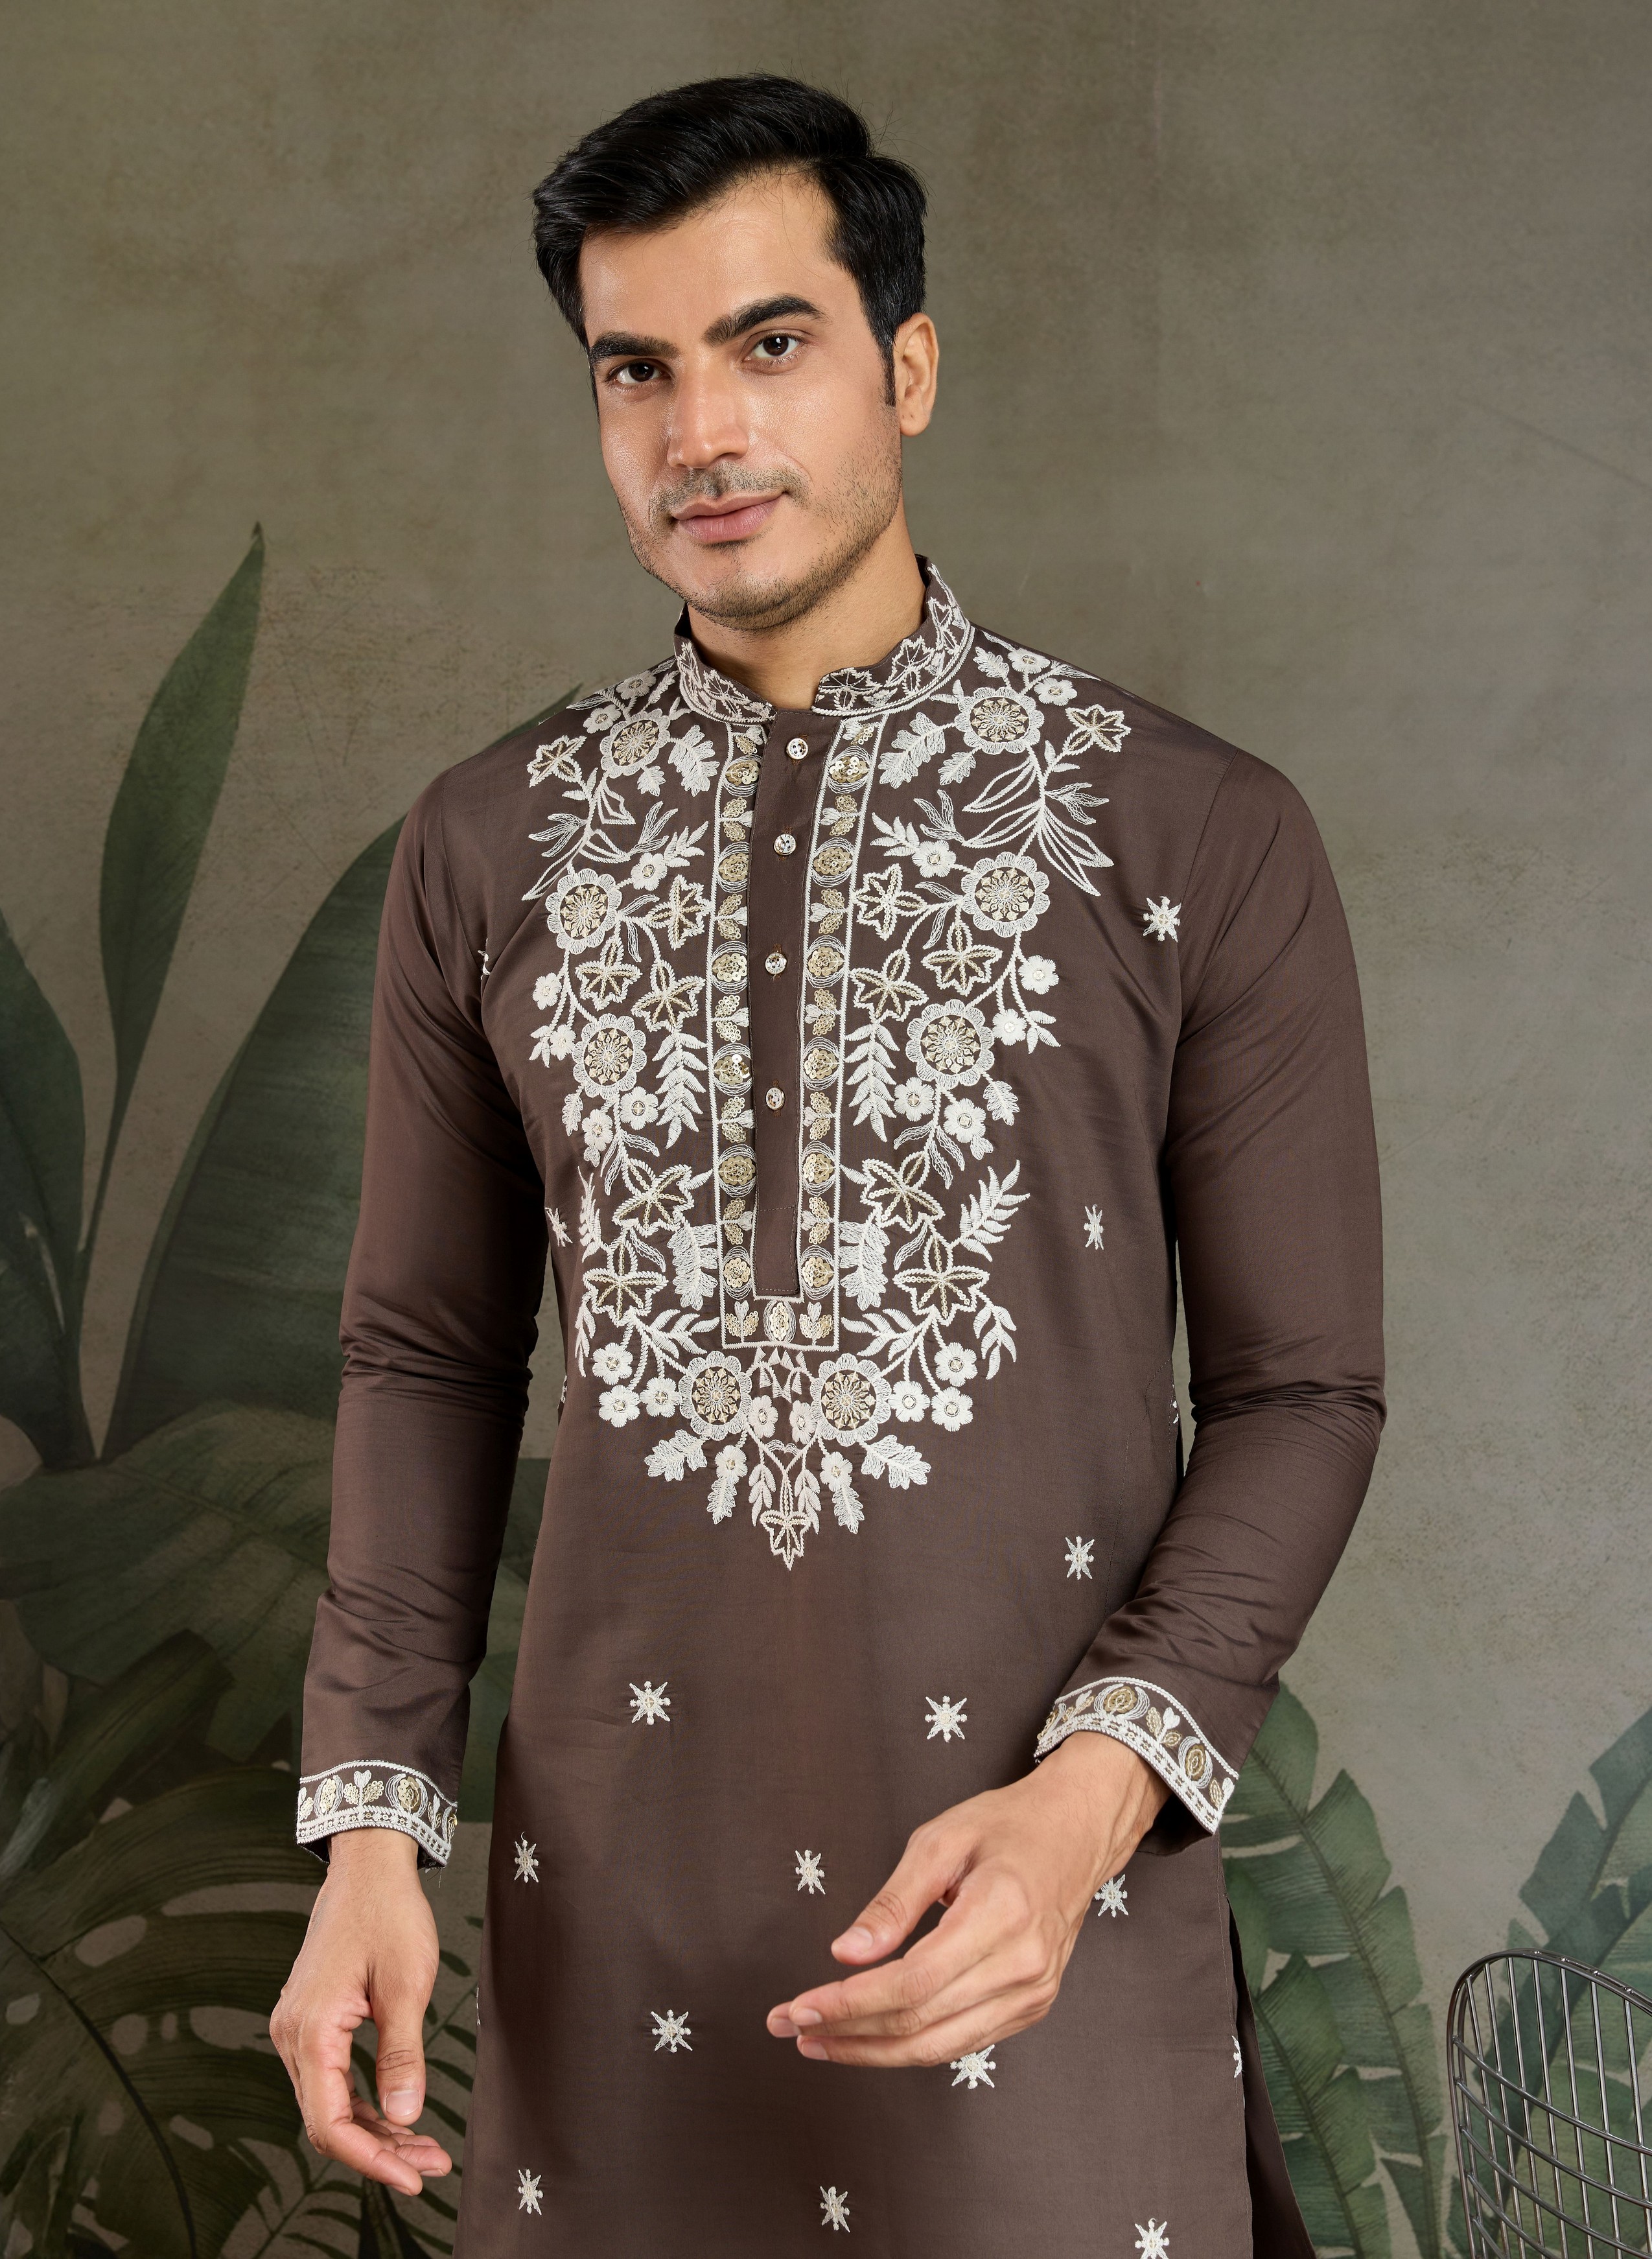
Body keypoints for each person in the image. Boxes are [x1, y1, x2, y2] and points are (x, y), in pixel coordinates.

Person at [269, 73, 1384, 2259]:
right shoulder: (490, 850)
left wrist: (1088, 1814)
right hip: (616, 1933)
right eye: (637, 370)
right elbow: (423, 1359)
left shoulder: (1191, 833)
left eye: (769, 344)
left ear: (910, 366)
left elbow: (1301, 1394)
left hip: (1037, 1911)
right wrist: (373, 1834)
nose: (702, 431)